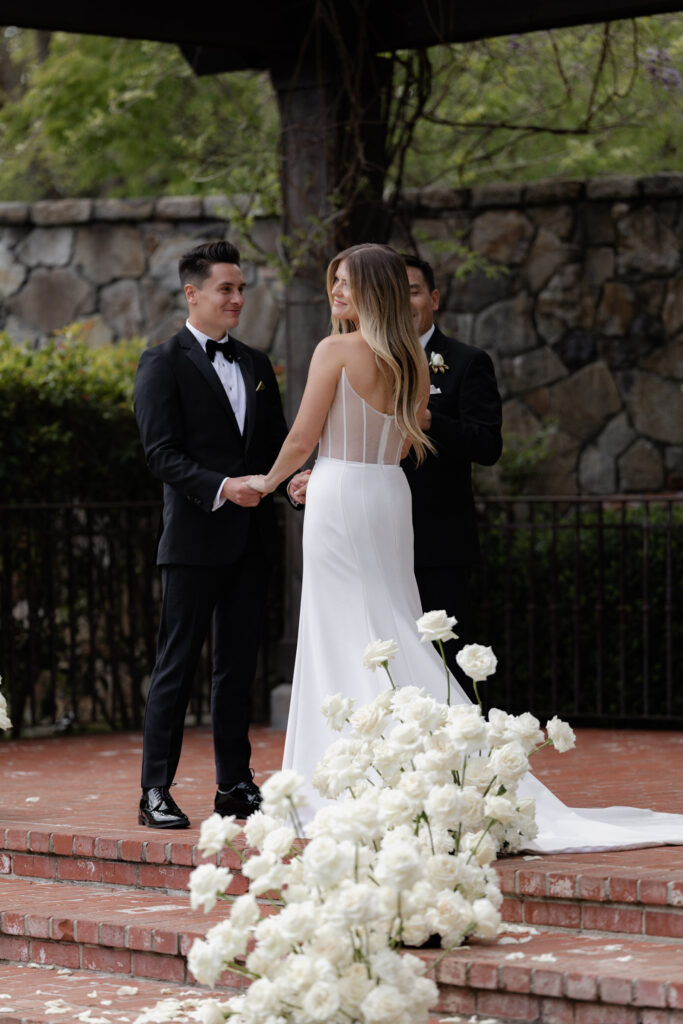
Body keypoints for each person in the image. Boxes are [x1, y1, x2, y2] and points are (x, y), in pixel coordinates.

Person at [250, 243, 683, 852]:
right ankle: (437, 763)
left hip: (343, 495)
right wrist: (347, 469)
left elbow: (301, 437)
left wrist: (269, 482)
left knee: (345, 625)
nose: (335, 293)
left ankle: (353, 781)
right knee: (393, 624)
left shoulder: (335, 350)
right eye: (333, 282)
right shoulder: (412, 360)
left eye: (346, 283)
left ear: (371, 289)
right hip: (385, 493)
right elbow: (404, 445)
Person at [134, 240, 306, 829]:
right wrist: (223, 486)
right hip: (192, 542)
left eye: (241, 289)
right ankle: (154, 788)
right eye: (225, 289)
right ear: (193, 293)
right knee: (175, 664)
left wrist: (294, 484)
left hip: (251, 543)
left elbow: (277, 447)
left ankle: (234, 785)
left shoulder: (256, 364)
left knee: (236, 668)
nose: (237, 298)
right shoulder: (162, 362)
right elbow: (161, 456)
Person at [401, 254, 502, 681]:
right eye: (394, 293)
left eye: (413, 291)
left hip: (438, 544)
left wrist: (431, 421)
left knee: (444, 666)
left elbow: (488, 445)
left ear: (434, 298)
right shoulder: (362, 361)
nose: (404, 303)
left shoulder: (465, 361)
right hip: (377, 539)